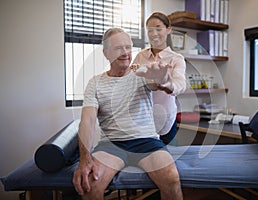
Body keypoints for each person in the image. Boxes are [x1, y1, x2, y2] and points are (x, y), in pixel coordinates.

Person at [72, 27, 183, 200]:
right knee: (91, 185)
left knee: (171, 178)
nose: (125, 53)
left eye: (128, 47)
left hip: (147, 143)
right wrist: (85, 158)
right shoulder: (95, 83)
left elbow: (158, 83)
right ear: (106, 53)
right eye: (118, 48)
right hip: (111, 145)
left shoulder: (141, 72)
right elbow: (87, 122)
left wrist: (163, 79)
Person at [132, 12, 186, 145]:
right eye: (150, 30)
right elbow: (132, 84)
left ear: (168, 30)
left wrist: (167, 84)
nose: (154, 33)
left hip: (166, 119)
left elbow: (180, 85)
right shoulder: (141, 56)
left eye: (158, 28)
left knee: (167, 159)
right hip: (143, 119)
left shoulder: (176, 59)